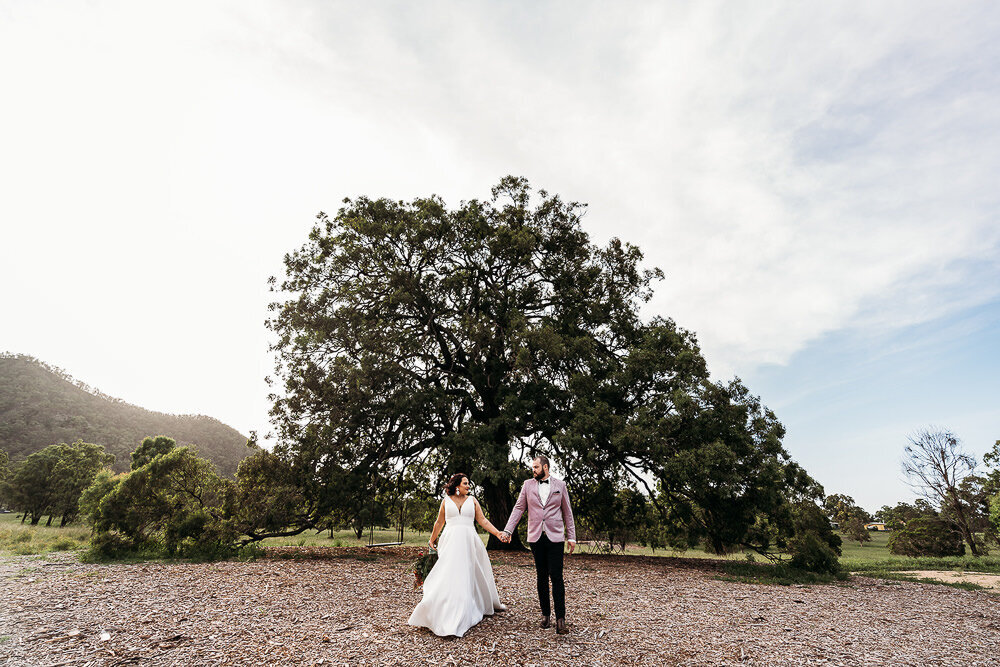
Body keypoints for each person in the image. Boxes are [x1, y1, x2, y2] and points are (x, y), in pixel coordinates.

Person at [407, 473, 507, 637]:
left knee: (468, 573)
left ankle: (468, 606)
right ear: (456, 485)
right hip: (451, 541)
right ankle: (444, 607)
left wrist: (497, 534)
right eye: (465, 483)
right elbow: (439, 522)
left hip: (469, 540)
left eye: (469, 483)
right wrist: (432, 539)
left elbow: (483, 521)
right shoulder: (445, 501)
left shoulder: (473, 500)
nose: (468, 486)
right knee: (449, 572)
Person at [500, 455, 576, 635]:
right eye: (532, 467)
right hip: (536, 537)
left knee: (556, 576)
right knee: (541, 576)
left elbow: (567, 512)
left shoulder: (560, 486)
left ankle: (561, 620)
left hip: (555, 537)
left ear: (546, 467)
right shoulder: (527, 485)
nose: (533, 470)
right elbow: (518, 508)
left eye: (536, 467)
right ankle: (545, 615)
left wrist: (571, 537)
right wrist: (508, 530)